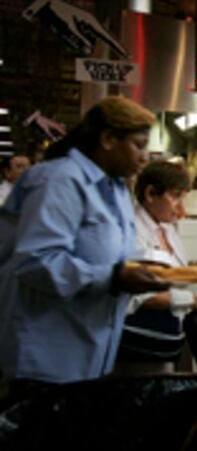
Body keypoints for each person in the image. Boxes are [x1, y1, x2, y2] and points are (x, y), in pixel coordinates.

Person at [0, 96, 171, 394]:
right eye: (138, 145)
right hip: (47, 362)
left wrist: (140, 267)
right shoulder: (60, 181)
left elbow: (109, 253)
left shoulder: (115, 189)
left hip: (91, 356)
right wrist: (114, 277)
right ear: (107, 139)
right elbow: (37, 261)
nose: (144, 157)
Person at [116, 160, 197, 374]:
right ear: (151, 194)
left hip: (170, 333)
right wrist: (193, 300)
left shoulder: (166, 227)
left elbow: (167, 269)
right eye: (175, 196)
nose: (181, 208)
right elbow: (142, 296)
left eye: (183, 197)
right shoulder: (131, 231)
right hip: (143, 338)